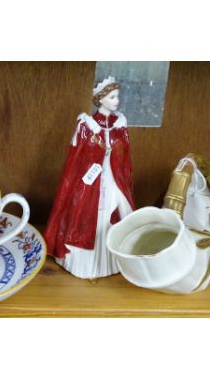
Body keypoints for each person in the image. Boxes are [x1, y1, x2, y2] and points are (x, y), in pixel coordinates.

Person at [44, 77, 135, 279]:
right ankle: (85, 263)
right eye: (112, 97)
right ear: (100, 99)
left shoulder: (120, 125)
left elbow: (125, 158)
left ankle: (111, 259)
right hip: (89, 182)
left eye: (117, 96)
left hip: (114, 178)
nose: (116, 100)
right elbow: (75, 160)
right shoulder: (86, 125)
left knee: (115, 211)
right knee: (87, 213)